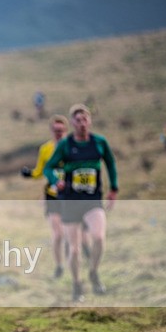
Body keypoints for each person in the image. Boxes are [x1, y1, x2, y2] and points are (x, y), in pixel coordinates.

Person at [44, 104, 118, 302]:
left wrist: (114, 188)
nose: (82, 123)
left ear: (90, 121)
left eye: (85, 119)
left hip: (93, 200)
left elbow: (110, 164)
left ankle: (93, 271)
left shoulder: (99, 142)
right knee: (74, 248)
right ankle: (77, 284)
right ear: (73, 123)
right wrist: (55, 180)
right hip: (70, 201)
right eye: (78, 120)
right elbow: (48, 168)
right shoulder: (65, 145)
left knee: (99, 237)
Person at [22, 114, 69, 278]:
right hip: (52, 196)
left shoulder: (73, 147)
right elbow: (40, 172)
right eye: (56, 130)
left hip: (70, 196)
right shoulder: (45, 149)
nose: (58, 133)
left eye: (61, 130)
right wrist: (29, 174)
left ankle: (73, 255)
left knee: (70, 232)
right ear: (51, 130)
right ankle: (59, 266)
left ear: (66, 130)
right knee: (58, 234)